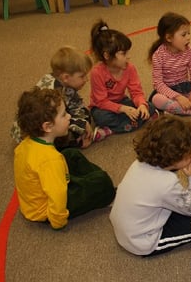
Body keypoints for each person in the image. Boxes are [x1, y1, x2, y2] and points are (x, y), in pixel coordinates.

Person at [14, 87, 115, 230]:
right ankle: (102, 190)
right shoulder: (50, 160)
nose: (69, 117)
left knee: (70, 154)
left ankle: (86, 181)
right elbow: (57, 196)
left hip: (34, 201)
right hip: (48, 210)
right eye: (63, 115)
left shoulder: (26, 143)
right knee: (102, 182)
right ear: (47, 126)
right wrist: (58, 221)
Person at [110, 115, 191, 256]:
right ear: (174, 158)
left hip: (129, 226)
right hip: (142, 241)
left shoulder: (139, 163)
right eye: (188, 152)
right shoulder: (166, 183)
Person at [10, 46, 102, 150]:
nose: (86, 80)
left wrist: (83, 120)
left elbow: (75, 103)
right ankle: (77, 143)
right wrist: (81, 124)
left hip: (42, 120)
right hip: (34, 133)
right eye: (82, 76)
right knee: (66, 131)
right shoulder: (54, 95)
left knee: (84, 115)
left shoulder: (59, 82)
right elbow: (52, 122)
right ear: (66, 77)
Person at [89, 20, 155, 135]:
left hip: (121, 101)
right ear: (107, 55)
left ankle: (113, 128)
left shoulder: (130, 68)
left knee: (150, 106)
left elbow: (136, 92)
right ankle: (129, 124)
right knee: (101, 117)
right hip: (102, 107)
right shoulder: (97, 73)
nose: (128, 57)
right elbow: (101, 101)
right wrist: (122, 109)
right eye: (124, 54)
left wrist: (141, 105)